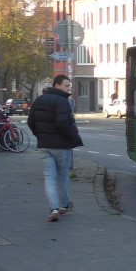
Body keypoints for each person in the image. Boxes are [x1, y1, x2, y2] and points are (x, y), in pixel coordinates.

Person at [27, 74, 84, 222]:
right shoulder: (62, 101)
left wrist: (40, 136)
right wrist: (72, 137)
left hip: (44, 145)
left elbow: (30, 122)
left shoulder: (39, 100)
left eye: (69, 85)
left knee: (49, 177)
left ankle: (53, 208)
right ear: (57, 85)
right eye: (66, 85)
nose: (69, 88)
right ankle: (64, 205)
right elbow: (62, 123)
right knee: (63, 176)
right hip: (62, 146)